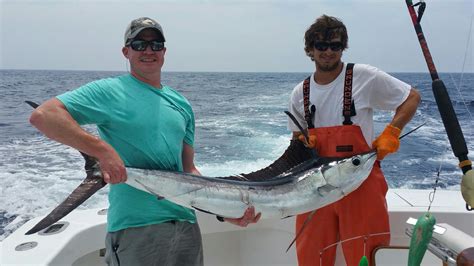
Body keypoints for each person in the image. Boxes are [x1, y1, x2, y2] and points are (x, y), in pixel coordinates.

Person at [29, 17, 258, 266]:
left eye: (156, 44)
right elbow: (44, 115)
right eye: (139, 44)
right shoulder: (109, 91)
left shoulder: (181, 104)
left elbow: (189, 171)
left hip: (185, 225)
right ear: (126, 51)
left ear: (164, 52)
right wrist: (102, 151)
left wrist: (223, 212)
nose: (148, 50)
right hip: (136, 228)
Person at [287, 15, 421, 266]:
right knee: (310, 256)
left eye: (335, 46)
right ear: (310, 50)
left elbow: (411, 97)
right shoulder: (299, 93)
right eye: (321, 46)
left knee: (366, 256)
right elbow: (296, 138)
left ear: (343, 48)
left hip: (361, 182)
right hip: (316, 188)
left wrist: (392, 131)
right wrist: (303, 143)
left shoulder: (363, 76)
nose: (328, 52)